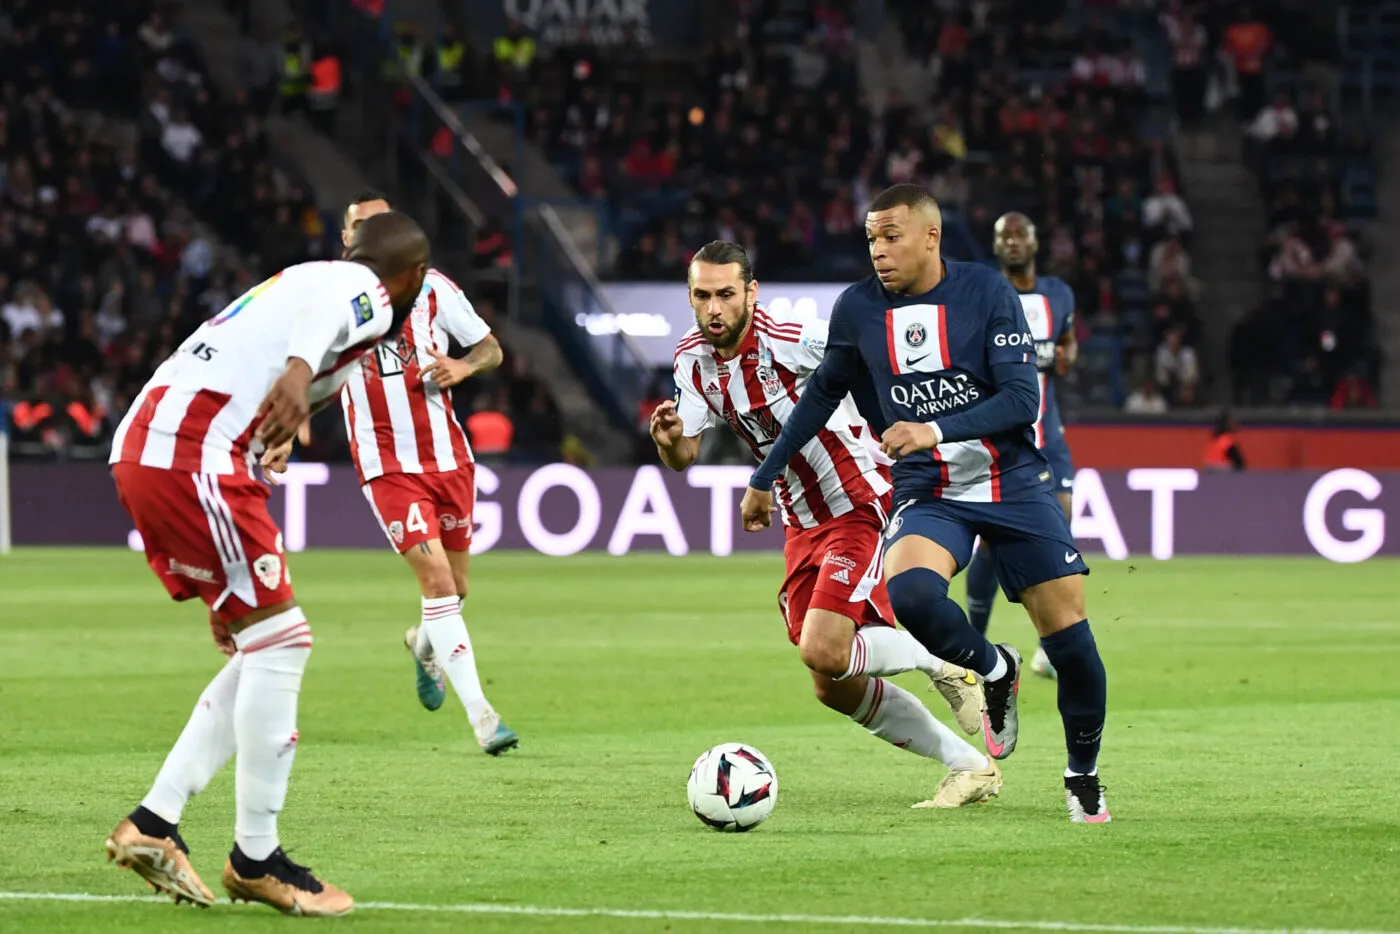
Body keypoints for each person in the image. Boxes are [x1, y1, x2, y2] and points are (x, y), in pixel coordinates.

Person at [740, 185, 1111, 823]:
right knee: (910, 594)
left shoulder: (987, 293)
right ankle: (995, 668)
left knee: (1074, 644)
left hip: (1012, 481)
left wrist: (932, 428)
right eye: (871, 240)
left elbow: (1023, 399)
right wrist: (765, 476)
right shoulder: (857, 309)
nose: (878, 252)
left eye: (892, 237)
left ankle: (1083, 775)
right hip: (930, 488)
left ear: (931, 237)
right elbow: (822, 394)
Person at [105, 211, 430, 913]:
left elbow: (296, 355)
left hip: (155, 448)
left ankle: (156, 822)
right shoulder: (359, 286)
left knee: (260, 646)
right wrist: (298, 371)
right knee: (283, 643)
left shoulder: (300, 289)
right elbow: (324, 317)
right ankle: (256, 857)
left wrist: (287, 409)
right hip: (190, 454)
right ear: (413, 277)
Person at [653, 241, 999, 809]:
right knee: (830, 683)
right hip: (802, 522)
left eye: (725, 294)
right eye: (701, 295)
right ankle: (967, 766)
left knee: (824, 650)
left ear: (750, 292)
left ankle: (946, 660)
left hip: (861, 500)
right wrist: (668, 443)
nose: (713, 307)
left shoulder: (791, 338)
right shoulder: (692, 360)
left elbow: (870, 360)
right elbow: (685, 453)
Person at [270, 191, 517, 756]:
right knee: (436, 585)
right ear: (347, 240)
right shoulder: (330, 303)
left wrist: (462, 363)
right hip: (386, 465)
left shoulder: (434, 288)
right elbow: (316, 378)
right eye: (364, 226)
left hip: (448, 457)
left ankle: (423, 645)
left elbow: (490, 348)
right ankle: (483, 718)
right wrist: (287, 429)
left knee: (455, 590)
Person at [962, 213, 1078, 680]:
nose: (1011, 242)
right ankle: (970, 641)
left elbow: (1067, 354)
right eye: (1003, 236)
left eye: (1019, 235)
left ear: (1034, 241)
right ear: (994, 245)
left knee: (1058, 536)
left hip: (1050, 436)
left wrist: (1055, 355)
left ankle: (1049, 647)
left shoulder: (1059, 294)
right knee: (991, 545)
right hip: (1002, 440)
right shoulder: (985, 292)